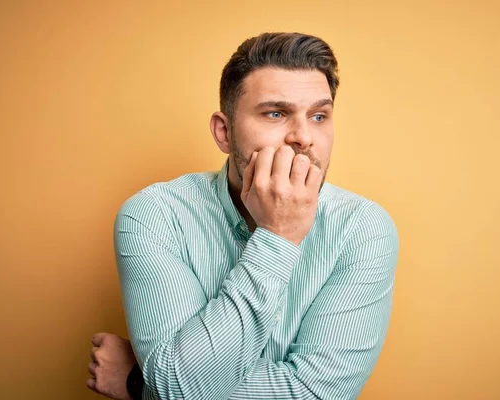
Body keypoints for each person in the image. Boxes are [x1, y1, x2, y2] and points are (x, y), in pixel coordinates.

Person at [86, 32, 399, 400]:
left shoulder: (364, 229)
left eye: (318, 115)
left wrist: (141, 384)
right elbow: (180, 387)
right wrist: (279, 235)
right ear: (224, 132)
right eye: (276, 113)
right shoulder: (154, 216)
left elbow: (313, 394)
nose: (303, 137)